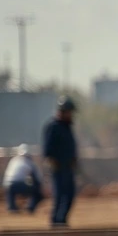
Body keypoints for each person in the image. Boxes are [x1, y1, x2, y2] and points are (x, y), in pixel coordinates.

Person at [42, 96, 78, 226]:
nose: (71, 115)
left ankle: (61, 220)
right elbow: (48, 148)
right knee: (60, 196)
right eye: (69, 112)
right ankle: (56, 221)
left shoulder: (66, 127)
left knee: (70, 195)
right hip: (58, 167)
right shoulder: (54, 127)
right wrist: (53, 162)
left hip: (68, 167)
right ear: (63, 112)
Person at [2, 144, 43, 214]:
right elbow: (37, 179)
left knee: (10, 189)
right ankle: (30, 207)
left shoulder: (13, 160)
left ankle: (12, 207)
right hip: (19, 184)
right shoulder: (29, 162)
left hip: (7, 185)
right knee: (37, 192)